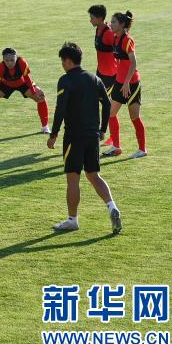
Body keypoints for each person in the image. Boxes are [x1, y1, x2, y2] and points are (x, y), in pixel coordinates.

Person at [47, 42, 122, 234]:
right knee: (94, 175)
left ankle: (73, 220)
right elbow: (106, 104)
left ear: (68, 61)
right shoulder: (94, 78)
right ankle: (112, 206)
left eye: (62, 61)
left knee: (73, 179)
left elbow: (60, 108)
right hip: (92, 135)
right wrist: (102, 129)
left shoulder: (65, 80)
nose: (62, 65)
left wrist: (54, 134)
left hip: (74, 136)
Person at [104, 11, 146, 158]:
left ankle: (142, 149)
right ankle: (116, 147)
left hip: (131, 83)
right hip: (119, 82)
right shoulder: (116, 38)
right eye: (111, 22)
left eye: (114, 22)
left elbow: (133, 63)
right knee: (111, 113)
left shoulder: (128, 40)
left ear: (122, 25)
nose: (111, 24)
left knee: (134, 117)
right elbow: (106, 26)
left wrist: (127, 82)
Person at [0, 48, 50, 134]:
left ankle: (45, 127)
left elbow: (27, 78)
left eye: (12, 60)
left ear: (16, 58)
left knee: (41, 96)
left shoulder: (22, 62)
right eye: (7, 60)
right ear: (3, 60)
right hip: (6, 85)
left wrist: (34, 92)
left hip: (23, 84)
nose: (9, 63)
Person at [88, 4, 119, 145]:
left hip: (110, 74)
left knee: (105, 103)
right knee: (98, 101)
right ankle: (104, 132)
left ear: (100, 18)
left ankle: (102, 131)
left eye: (92, 18)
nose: (90, 20)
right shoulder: (98, 30)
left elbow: (119, 47)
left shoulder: (108, 33)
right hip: (100, 72)